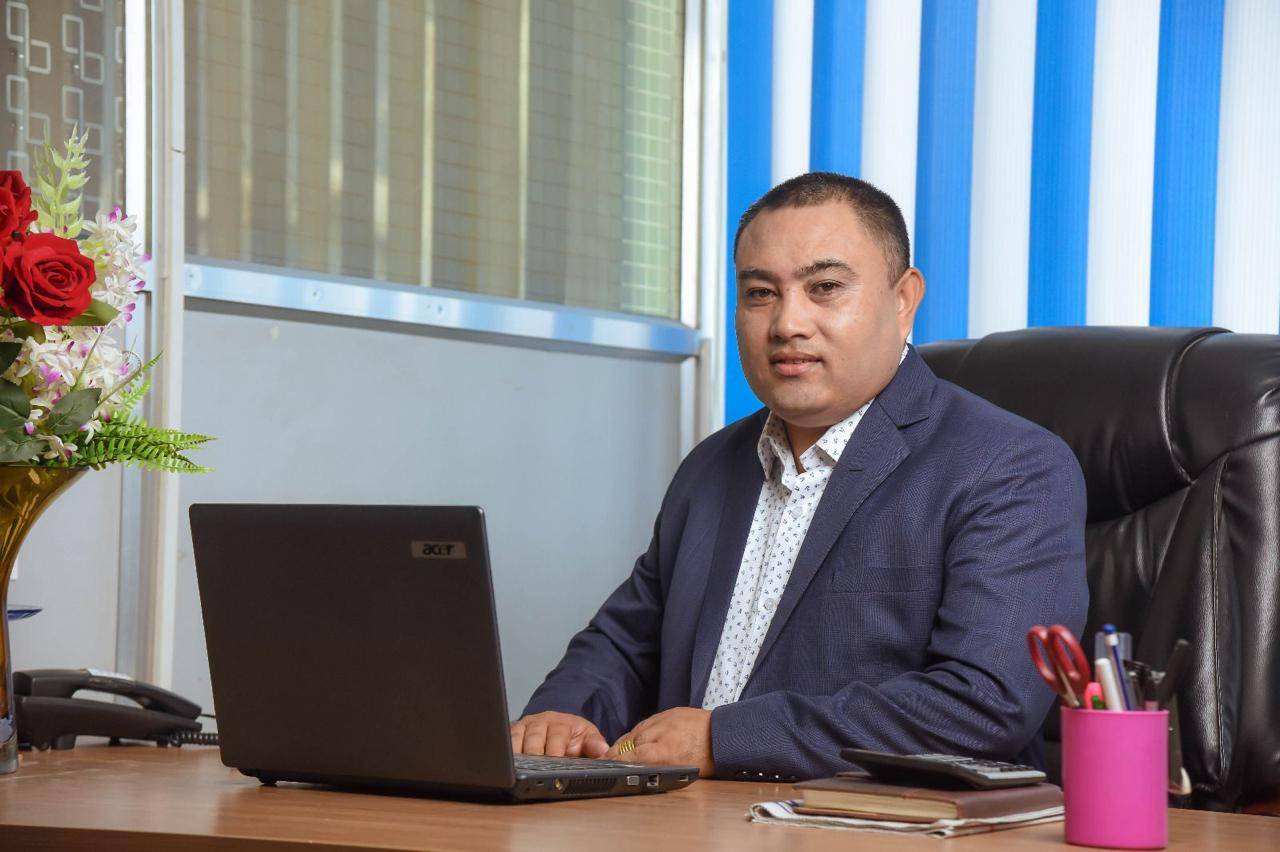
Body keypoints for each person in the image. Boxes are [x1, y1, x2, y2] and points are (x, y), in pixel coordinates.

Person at [510, 172, 1088, 781]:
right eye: (761, 293)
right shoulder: (711, 466)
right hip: (688, 816)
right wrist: (562, 715)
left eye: (825, 287)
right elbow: (627, 642)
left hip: (872, 820)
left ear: (903, 299)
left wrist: (723, 740)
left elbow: (983, 703)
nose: (788, 323)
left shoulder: (1009, 466)